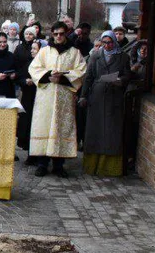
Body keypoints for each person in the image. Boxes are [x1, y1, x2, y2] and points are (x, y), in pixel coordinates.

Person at [28, 21, 86, 178]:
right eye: (55, 34)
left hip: (64, 97)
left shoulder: (74, 52)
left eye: (61, 33)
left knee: (60, 127)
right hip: (46, 96)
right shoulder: (45, 51)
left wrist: (63, 78)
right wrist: (48, 76)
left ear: (66, 33)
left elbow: (81, 70)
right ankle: (42, 163)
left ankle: (59, 165)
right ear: (52, 34)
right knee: (44, 126)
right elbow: (34, 68)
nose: (58, 36)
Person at [79, 32, 132, 176]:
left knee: (111, 131)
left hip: (114, 98)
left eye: (110, 42)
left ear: (114, 42)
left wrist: (120, 80)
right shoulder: (96, 56)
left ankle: (109, 168)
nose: (107, 45)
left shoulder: (123, 57)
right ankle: (92, 166)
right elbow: (89, 77)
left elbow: (127, 75)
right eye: (104, 42)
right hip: (96, 98)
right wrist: (83, 96)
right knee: (95, 130)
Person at [16, 40, 46, 164]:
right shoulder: (28, 63)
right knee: (28, 125)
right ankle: (30, 154)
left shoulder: (45, 65)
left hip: (40, 98)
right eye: (32, 48)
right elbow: (20, 77)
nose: (32, 51)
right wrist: (25, 81)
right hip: (28, 97)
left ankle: (39, 155)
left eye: (35, 49)